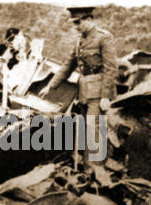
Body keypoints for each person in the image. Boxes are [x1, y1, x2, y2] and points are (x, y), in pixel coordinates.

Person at [40, 6, 118, 174]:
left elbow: (111, 69)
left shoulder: (104, 38)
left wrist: (106, 96)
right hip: (84, 92)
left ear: (89, 20)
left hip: (99, 93)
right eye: (74, 23)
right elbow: (67, 66)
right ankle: (89, 168)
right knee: (86, 129)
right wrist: (51, 86)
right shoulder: (79, 41)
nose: (76, 27)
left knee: (93, 129)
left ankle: (95, 171)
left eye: (78, 22)